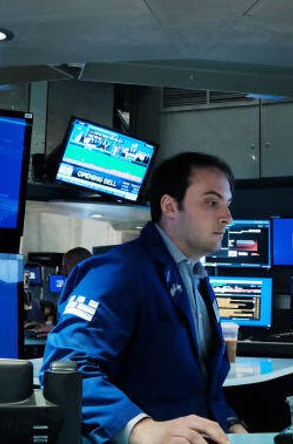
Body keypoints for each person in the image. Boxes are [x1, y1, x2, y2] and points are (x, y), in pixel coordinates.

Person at [42, 152, 246, 444]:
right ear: (170, 206)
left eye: (228, 204)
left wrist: (230, 421)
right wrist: (139, 428)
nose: (228, 217)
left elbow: (199, 383)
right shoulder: (117, 272)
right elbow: (66, 367)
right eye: (211, 202)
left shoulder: (194, 276)